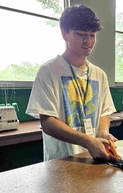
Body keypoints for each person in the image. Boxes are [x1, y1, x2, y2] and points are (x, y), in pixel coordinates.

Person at [26, 4, 117, 161]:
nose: (88, 41)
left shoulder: (99, 74)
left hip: (94, 158)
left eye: (92, 35)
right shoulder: (48, 71)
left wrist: (102, 133)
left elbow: (104, 112)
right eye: (81, 34)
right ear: (64, 34)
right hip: (61, 161)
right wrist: (87, 140)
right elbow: (47, 122)